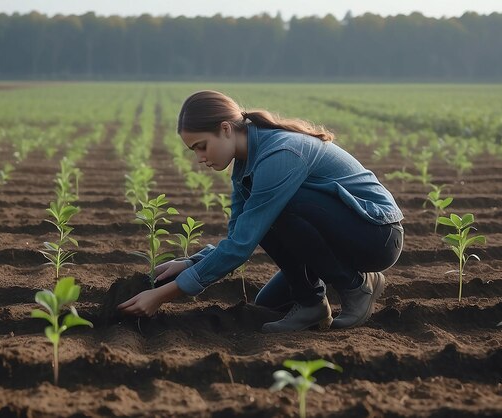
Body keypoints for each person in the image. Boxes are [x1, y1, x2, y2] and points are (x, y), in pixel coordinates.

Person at [117, 90, 404, 332]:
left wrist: (163, 294)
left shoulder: (280, 154)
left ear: (226, 129)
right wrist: (191, 263)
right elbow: (238, 234)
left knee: (277, 209)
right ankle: (312, 305)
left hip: (376, 234)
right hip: (342, 233)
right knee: (268, 303)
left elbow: (242, 246)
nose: (200, 158)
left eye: (201, 147)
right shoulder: (245, 167)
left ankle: (355, 286)